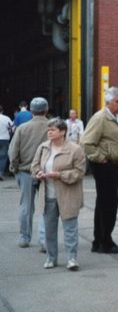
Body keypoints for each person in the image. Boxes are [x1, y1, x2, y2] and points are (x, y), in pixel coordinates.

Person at [33, 118, 86, 270]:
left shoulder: (75, 149)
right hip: (48, 196)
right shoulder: (43, 147)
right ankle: (51, 258)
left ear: (62, 132)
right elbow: (34, 165)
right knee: (49, 229)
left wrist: (59, 175)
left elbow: (79, 172)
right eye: (48, 129)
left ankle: (72, 259)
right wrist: (38, 173)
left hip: (68, 196)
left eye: (53, 129)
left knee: (70, 229)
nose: (49, 131)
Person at [81, 87, 118, 254]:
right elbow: (86, 142)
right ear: (108, 102)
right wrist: (101, 158)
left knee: (105, 204)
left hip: (113, 165)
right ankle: (105, 242)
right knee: (108, 204)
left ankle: (100, 240)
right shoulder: (101, 118)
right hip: (104, 166)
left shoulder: (116, 118)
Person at [9, 97, 50, 248]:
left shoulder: (22, 128)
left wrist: (14, 168)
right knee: (46, 206)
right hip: (46, 172)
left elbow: (13, 151)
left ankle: (24, 237)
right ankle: (45, 240)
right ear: (46, 110)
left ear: (31, 111)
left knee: (26, 206)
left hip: (25, 171)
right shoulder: (53, 127)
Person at [0, 105, 12, 180]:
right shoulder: (6, 118)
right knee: (3, 156)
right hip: (4, 139)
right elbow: (12, 128)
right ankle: (0, 172)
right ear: (2, 111)